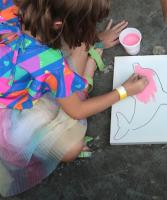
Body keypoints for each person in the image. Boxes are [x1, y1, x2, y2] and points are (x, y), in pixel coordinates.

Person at [0, 0, 148, 197]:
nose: (89, 28)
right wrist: (124, 91)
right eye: (87, 24)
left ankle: (80, 69)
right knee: (72, 148)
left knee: (78, 48)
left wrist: (94, 39)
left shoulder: (8, 5)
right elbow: (77, 110)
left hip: (14, 80)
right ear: (60, 24)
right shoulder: (50, 62)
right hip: (11, 115)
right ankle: (84, 80)